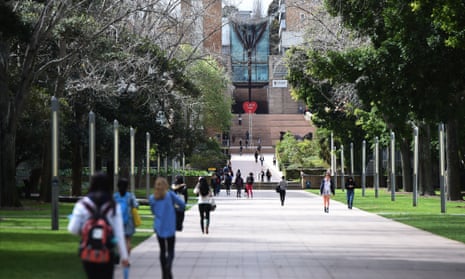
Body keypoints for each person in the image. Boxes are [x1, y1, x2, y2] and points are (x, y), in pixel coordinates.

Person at [68, 172, 129, 279]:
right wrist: (124, 256)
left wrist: (86, 231)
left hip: (88, 251)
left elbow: (72, 228)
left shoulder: (82, 204)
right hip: (107, 252)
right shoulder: (113, 206)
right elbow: (119, 234)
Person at [149, 177, 186, 279]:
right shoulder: (169, 195)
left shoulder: (152, 198)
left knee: (162, 250)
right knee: (170, 250)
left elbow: (152, 211)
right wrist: (175, 208)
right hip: (170, 225)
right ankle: (168, 267)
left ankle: (164, 273)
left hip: (159, 226)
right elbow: (182, 204)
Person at [113, 178, 139, 256]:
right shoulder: (130, 196)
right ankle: (126, 258)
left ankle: (119, 255)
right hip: (129, 220)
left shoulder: (115, 196)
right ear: (127, 186)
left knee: (119, 239)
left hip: (118, 220)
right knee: (128, 239)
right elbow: (136, 205)